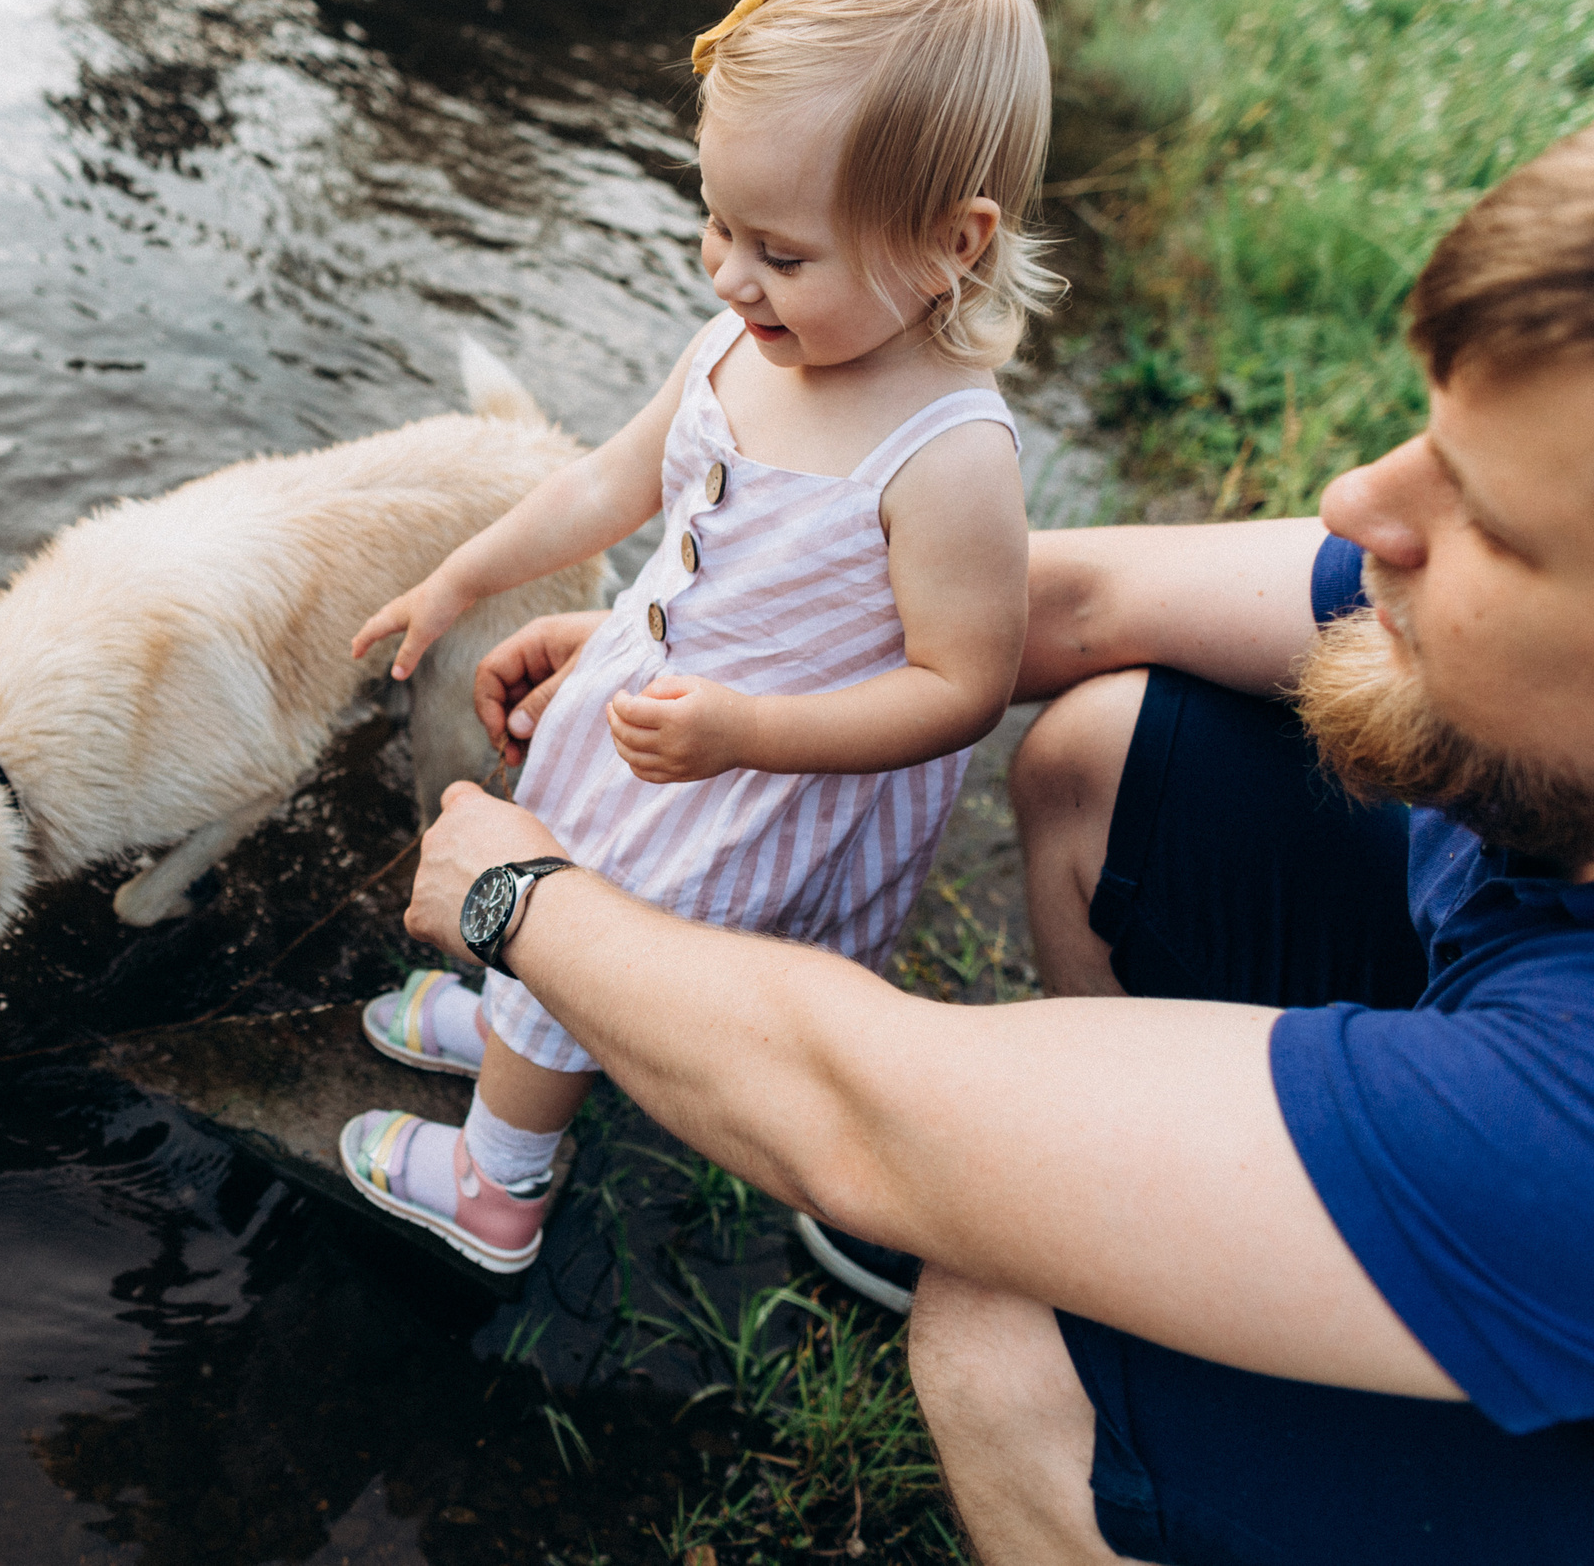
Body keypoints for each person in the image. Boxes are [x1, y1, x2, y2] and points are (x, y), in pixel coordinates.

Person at [401, 126, 1594, 1562]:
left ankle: (1122, 1263)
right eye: (1430, 433)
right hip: (1506, 1110)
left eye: (1492, 524)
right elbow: (1073, 601)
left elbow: (852, 1117)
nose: (1360, 505)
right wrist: (688, 650)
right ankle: (1157, 1181)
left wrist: (521, 898)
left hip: (1535, 1218)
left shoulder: (1562, 1116)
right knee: (1103, 752)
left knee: (1005, 1339)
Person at [336, 0, 1062, 1273]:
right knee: (553, 872)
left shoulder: (948, 454)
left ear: (952, 246)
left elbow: (959, 690)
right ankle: (522, 1001)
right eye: (717, 222)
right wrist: (464, 573)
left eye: (781, 252)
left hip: (756, 767)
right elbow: (614, 485)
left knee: (591, 911)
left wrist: (743, 732)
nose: (730, 275)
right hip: (663, 706)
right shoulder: (741, 341)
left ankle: (501, 1182)